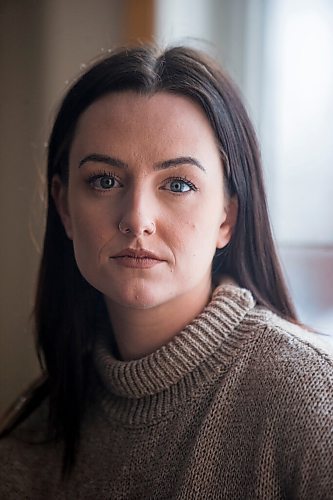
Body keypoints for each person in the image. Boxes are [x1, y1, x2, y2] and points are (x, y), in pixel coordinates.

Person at [0, 44, 332, 499]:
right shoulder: (32, 436)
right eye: (104, 180)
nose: (137, 218)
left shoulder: (313, 404)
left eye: (178, 184)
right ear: (64, 208)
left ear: (226, 218)